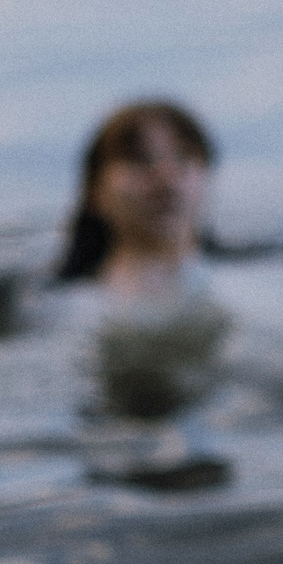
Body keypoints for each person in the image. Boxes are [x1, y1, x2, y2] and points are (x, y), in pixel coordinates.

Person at [53, 100, 233, 489]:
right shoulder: (62, 308)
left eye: (183, 157)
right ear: (95, 192)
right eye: (140, 160)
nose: (165, 177)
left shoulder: (269, 285)